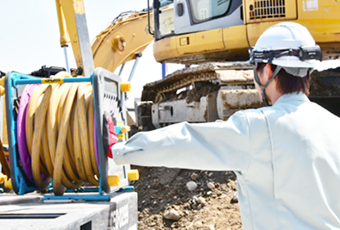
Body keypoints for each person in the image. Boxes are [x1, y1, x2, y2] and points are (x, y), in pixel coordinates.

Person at [111, 22, 340, 229]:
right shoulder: (334, 126)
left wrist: (120, 150)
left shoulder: (258, 128)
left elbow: (186, 141)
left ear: (268, 71)